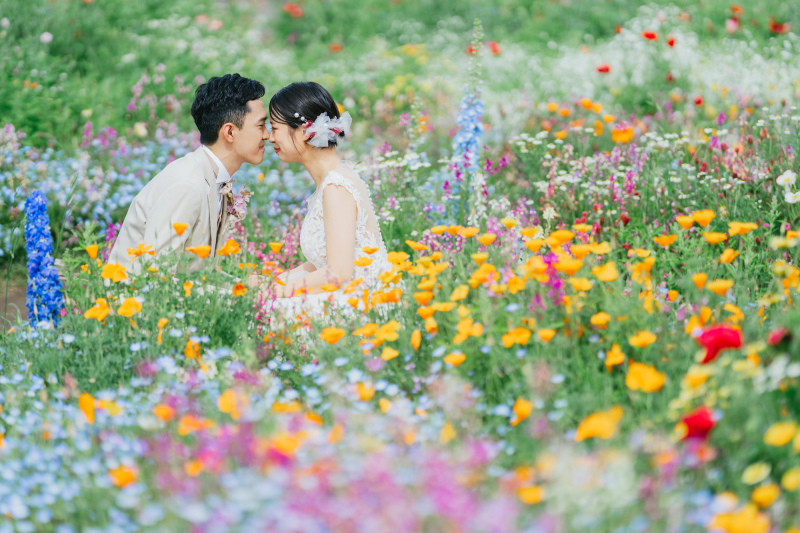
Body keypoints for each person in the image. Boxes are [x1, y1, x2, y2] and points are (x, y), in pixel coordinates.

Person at [108, 74, 268, 273]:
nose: (267, 135)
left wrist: (248, 285)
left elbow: (201, 273)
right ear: (229, 132)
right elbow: (155, 276)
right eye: (261, 126)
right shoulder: (187, 185)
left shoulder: (213, 178)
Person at [261, 81, 395, 318]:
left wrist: (274, 292)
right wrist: (274, 282)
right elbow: (319, 263)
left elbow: (338, 272)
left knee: (265, 311)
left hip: (361, 304)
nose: (270, 138)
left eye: (275, 128)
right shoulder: (330, 182)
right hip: (347, 293)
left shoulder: (336, 186)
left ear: (304, 131)